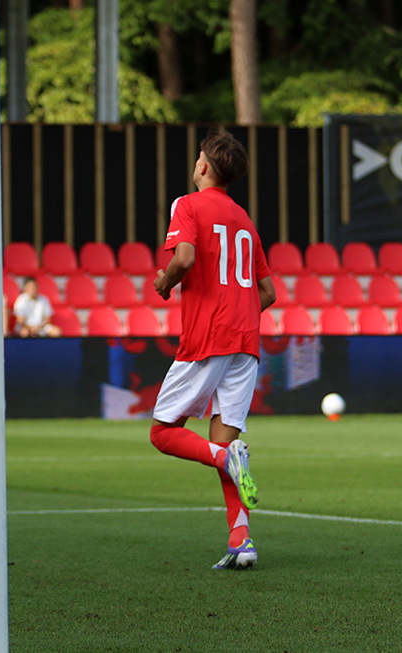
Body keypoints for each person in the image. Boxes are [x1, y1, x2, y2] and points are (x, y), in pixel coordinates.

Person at [150, 131, 276, 571]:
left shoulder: (187, 204)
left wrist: (165, 282)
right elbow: (268, 291)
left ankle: (226, 456)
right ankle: (242, 541)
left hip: (208, 335)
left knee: (163, 433)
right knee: (225, 439)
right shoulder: (244, 219)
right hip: (246, 342)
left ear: (203, 166)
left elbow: (183, 258)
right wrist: (238, 311)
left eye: (198, 157)